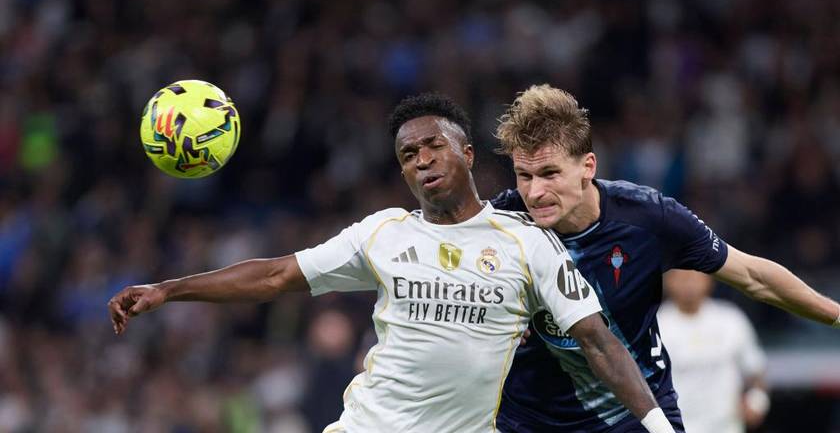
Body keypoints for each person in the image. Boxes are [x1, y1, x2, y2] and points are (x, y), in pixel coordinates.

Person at [108, 93, 677, 433]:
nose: (422, 159)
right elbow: (277, 274)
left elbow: (598, 340)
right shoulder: (382, 233)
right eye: (409, 154)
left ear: (467, 154)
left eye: (434, 146)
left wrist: (658, 427)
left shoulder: (525, 242)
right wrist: (168, 289)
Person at [490, 84, 840, 433]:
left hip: (635, 415)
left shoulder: (648, 218)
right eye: (524, 176)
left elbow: (753, 276)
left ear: (588, 166)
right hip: (530, 421)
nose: (535, 192)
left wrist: (837, 316)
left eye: (550, 173)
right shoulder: (499, 226)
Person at [659, 269, 769, 433]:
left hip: (727, 427)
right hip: (675, 428)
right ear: (667, 281)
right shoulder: (656, 326)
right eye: (681, 277)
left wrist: (757, 401)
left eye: (694, 276)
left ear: (709, 279)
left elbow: (755, 369)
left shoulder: (731, 320)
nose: (688, 284)